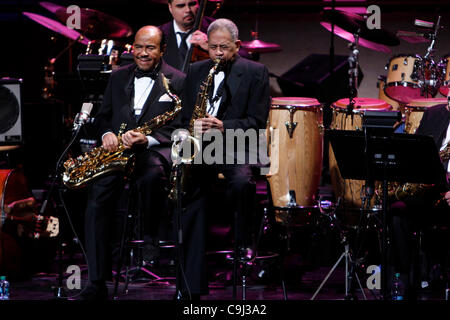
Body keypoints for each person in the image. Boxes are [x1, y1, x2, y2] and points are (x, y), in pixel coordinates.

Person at [81, 25, 185, 300]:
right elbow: (104, 117)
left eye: (149, 48)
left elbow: (182, 128)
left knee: (152, 177)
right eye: (138, 47)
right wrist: (106, 135)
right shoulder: (117, 77)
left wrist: (147, 139)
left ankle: (149, 237)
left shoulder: (179, 80)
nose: (142, 53)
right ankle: (97, 280)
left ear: (162, 50)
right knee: (97, 194)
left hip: (153, 150)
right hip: (118, 153)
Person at [172, 18, 270, 299]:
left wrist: (223, 126)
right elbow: (183, 116)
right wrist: (193, 129)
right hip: (201, 145)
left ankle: (242, 246)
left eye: (224, 48)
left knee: (241, 183)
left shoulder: (256, 72)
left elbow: (257, 122)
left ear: (237, 46)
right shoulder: (195, 70)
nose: (217, 53)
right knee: (185, 190)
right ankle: (190, 283)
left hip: (238, 142)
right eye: (212, 47)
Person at [388, 101, 450, 300]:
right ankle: (405, 278)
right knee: (398, 212)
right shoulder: (434, 114)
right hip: (432, 187)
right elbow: (414, 154)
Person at [159, 0, 250, 71]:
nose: (188, 10)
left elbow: (244, 57)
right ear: (170, 7)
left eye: (192, 4)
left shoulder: (217, 28)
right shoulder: (159, 33)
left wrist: (211, 46)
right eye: (181, 6)